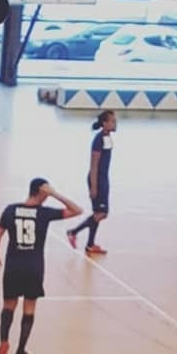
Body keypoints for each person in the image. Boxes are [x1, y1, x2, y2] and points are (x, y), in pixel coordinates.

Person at [0, 178, 82, 354]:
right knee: (29, 308)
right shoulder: (44, 213)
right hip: (33, 267)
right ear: (42, 192)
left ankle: (4, 341)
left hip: (13, 266)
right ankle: (20, 351)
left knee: (8, 306)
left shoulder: (10, 210)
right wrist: (55, 194)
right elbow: (77, 210)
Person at [67, 109, 117, 256]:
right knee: (102, 213)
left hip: (104, 179)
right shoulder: (98, 140)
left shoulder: (108, 137)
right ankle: (73, 232)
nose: (115, 124)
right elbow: (94, 165)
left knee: (99, 213)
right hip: (98, 180)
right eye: (112, 121)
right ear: (104, 123)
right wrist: (94, 187)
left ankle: (90, 245)